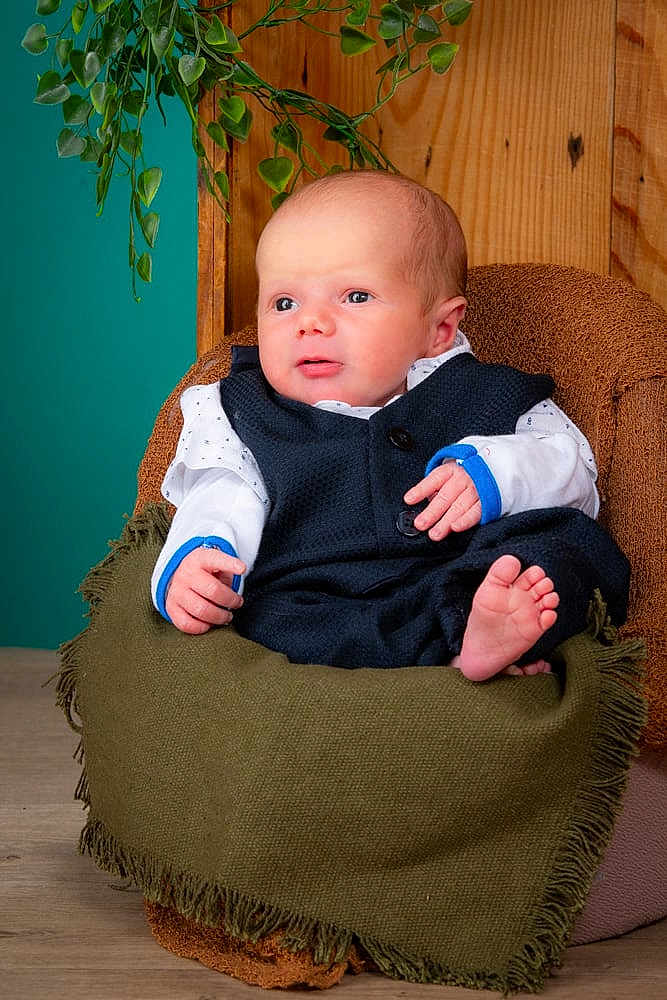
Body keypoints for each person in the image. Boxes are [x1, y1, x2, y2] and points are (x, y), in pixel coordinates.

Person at [151, 170, 629, 680]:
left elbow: (575, 472)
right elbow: (220, 495)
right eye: (284, 303)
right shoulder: (238, 408)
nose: (309, 322)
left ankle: (483, 628)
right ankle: (454, 654)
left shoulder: (485, 393)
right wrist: (201, 558)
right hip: (321, 592)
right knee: (266, 613)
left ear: (440, 328)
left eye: (354, 296)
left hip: (459, 575)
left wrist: (494, 473)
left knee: (569, 544)